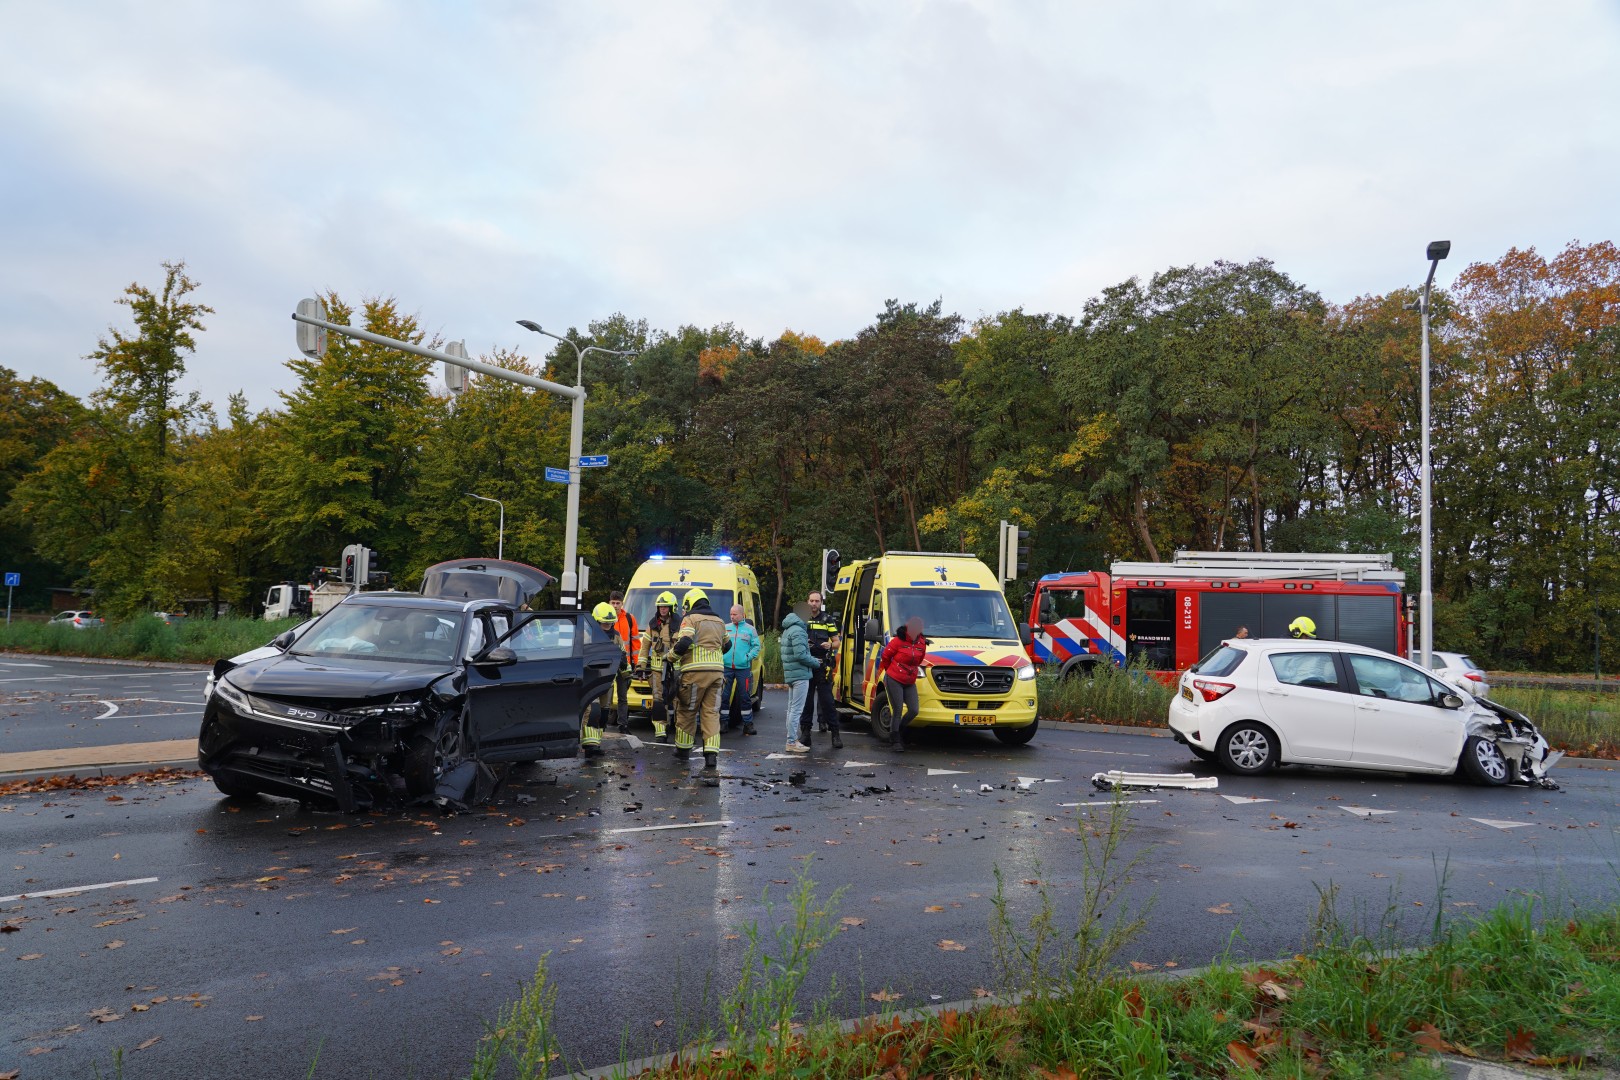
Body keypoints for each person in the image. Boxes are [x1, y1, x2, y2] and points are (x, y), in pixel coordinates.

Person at [671, 587, 727, 769]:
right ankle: (711, 757)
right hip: (717, 673)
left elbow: (685, 642)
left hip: (694, 673)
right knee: (711, 713)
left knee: (687, 709)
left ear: (689, 603)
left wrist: (670, 656)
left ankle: (683, 750)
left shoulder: (690, 619)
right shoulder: (719, 621)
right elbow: (728, 645)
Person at [583, 602, 629, 758]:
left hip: (608, 681)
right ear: (597, 621)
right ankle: (590, 746)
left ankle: (597, 742)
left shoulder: (616, 636)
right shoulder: (588, 635)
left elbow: (622, 653)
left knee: (604, 713)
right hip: (592, 680)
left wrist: (625, 670)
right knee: (593, 711)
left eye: (610, 622)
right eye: (604, 622)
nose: (608, 625)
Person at [798, 591, 843, 748]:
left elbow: (837, 641)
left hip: (823, 665)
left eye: (817, 601)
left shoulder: (827, 619)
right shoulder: (801, 618)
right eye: (811, 600)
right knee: (806, 700)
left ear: (820, 602)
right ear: (807, 602)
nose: (814, 603)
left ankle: (835, 734)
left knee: (827, 701)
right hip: (806, 664)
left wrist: (830, 644)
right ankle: (805, 733)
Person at [877, 616, 927, 752]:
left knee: (914, 710)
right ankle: (895, 740)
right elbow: (886, 656)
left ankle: (900, 731)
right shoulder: (898, 641)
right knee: (897, 709)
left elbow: (920, 659)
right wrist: (890, 671)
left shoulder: (922, 643)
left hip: (910, 680)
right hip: (894, 678)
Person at [639, 591, 679, 743]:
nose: (663, 609)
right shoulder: (652, 624)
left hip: (675, 670)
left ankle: (679, 730)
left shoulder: (680, 624)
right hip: (657, 670)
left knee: (677, 700)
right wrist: (641, 667)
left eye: (665, 606)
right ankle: (660, 731)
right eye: (660, 606)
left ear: (671, 607)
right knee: (658, 700)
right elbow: (644, 648)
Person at [778, 605, 817, 754]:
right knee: (796, 710)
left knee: (791, 709)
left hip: (791, 674)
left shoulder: (788, 629)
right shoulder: (799, 631)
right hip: (800, 675)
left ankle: (791, 739)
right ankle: (791, 741)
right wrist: (815, 662)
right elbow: (800, 655)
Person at [721, 604, 760, 736]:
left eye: (735, 614)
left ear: (742, 615)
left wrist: (748, 657)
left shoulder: (750, 629)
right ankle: (723, 723)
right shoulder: (725, 628)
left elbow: (756, 647)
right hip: (726, 668)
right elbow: (719, 644)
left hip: (743, 668)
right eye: (731, 614)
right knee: (724, 696)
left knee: (745, 697)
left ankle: (748, 725)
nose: (732, 617)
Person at [609, 590, 639, 734]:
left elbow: (635, 642)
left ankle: (623, 725)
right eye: (613, 603)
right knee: (606, 695)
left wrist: (635, 663)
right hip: (609, 663)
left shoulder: (629, 618)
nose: (615, 606)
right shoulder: (605, 617)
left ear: (622, 603)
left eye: (618, 603)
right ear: (609, 603)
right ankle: (603, 723)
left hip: (624, 663)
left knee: (623, 696)